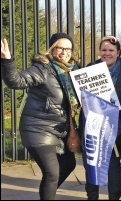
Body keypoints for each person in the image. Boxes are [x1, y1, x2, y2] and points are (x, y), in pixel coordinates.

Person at [1, 33, 80, 200]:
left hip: (59, 129)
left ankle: (46, 194)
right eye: (60, 47)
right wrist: (8, 61)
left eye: (68, 49)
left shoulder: (72, 72)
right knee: (52, 173)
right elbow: (16, 81)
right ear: (52, 49)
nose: (64, 52)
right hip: (37, 128)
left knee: (68, 164)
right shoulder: (42, 68)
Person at [80, 35, 121, 200]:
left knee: (113, 165)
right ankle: (92, 196)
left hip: (115, 126)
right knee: (91, 164)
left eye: (111, 50)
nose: (107, 53)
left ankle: (114, 196)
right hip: (93, 126)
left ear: (118, 53)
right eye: (104, 50)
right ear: (99, 51)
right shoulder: (90, 69)